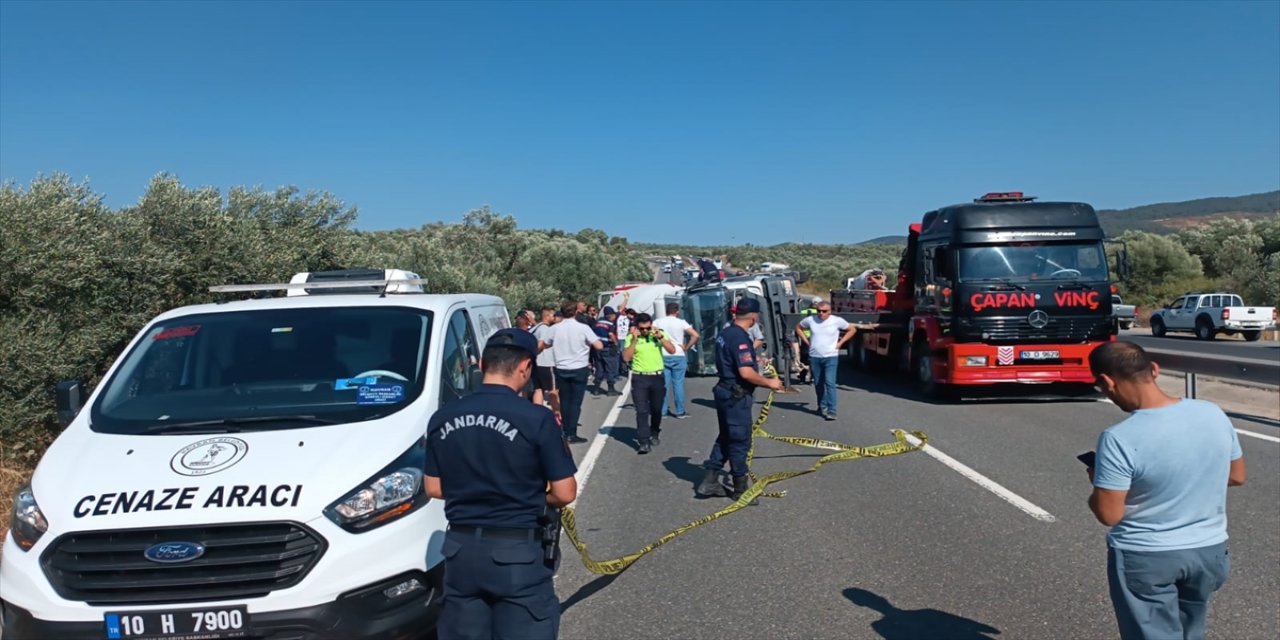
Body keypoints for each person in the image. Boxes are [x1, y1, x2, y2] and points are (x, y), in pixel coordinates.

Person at [424, 328, 578, 640]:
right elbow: (565, 493)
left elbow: (434, 488)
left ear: (482, 364)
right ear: (526, 367)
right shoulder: (536, 418)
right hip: (516, 550)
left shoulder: (443, 417)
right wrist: (529, 498)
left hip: (460, 551)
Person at [1086, 341, 1246, 640]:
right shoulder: (1211, 413)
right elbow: (1236, 476)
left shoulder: (1118, 438)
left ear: (1107, 382)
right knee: (1190, 632)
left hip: (1147, 555)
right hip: (1208, 551)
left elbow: (1109, 514)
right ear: (1155, 370)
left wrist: (1099, 483)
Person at [696, 298, 784, 501]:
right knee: (739, 440)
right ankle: (740, 489)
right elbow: (745, 373)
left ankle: (710, 480)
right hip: (735, 395)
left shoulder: (726, 332)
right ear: (754, 317)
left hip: (724, 391)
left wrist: (756, 360)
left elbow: (734, 360)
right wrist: (770, 383)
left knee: (726, 436)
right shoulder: (740, 338)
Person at [546, 301, 604, 444]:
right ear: (576, 312)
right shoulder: (583, 328)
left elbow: (545, 343)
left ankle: (565, 431)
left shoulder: (555, 328)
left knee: (565, 401)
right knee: (575, 402)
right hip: (579, 368)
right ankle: (571, 433)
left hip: (561, 368)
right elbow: (599, 345)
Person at [622, 313, 676, 454]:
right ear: (637, 327)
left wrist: (661, 338)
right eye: (642, 328)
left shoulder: (659, 334)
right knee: (641, 410)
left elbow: (672, 350)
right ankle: (644, 441)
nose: (645, 331)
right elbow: (626, 358)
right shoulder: (631, 337)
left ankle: (655, 431)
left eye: (648, 328)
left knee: (657, 409)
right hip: (640, 377)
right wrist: (634, 340)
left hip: (657, 376)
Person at [796, 300, 857, 421]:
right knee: (818, 383)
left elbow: (852, 329)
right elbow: (798, 327)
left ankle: (832, 410)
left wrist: (840, 343)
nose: (821, 313)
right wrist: (806, 341)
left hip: (830, 356)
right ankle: (821, 405)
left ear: (830, 311)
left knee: (830, 383)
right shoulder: (811, 320)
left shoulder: (837, 321)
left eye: (824, 311)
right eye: (819, 311)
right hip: (815, 357)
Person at [653, 302, 699, 419]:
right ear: (677, 311)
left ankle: (663, 411)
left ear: (666, 311)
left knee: (664, 384)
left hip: (663, 353)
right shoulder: (681, 322)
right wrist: (687, 347)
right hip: (678, 353)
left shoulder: (658, 322)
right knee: (678, 384)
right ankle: (680, 411)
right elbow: (695, 335)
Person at [532, 307, 560, 415]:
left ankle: (537, 413)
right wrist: (539, 350)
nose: (555, 317)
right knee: (553, 391)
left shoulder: (537, 327)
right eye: (553, 315)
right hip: (547, 363)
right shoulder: (545, 329)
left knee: (538, 389)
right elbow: (540, 344)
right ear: (547, 316)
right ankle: (557, 414)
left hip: (537, 364)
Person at [591, 307, 622, 396]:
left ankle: (596, 389)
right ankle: (611, 389)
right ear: (611, 316)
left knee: (599, 368)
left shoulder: (597, 323)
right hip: (608, 348)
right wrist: (616, 343)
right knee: (610, 368)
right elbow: (611, 334)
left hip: (597, 348)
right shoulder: (610, 324)